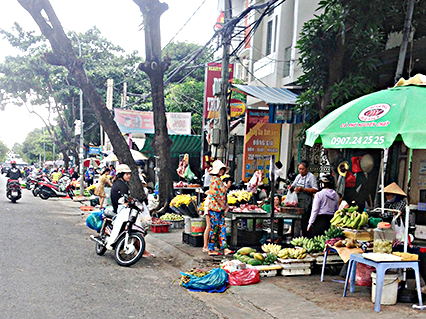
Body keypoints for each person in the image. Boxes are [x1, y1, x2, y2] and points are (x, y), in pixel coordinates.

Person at [108, 164, 154, 257]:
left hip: (117, 208)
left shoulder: (117, 183)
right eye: (127, 174)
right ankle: (141, 250)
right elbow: (123, 199)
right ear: (121, 174)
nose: (129, 176)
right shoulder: (122, 185)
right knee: (139, 224)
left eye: (129, 174)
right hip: (121, 210)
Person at [206, 160, 234, 256]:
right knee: (214, 229)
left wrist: (225, 206)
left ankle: (225, 248)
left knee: (222, 227)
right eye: (220, 169)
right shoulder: (214, 180)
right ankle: (210, 249)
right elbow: (215, 195)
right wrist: (222, 205)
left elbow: (222, 193)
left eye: (223, 169)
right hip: (215, 209)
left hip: (220, 208)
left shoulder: (219, 180)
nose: (222, 171)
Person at [288, 160, 318, 237]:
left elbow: (315, 189)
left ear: (307, 169)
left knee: (305, 220)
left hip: (306, 201)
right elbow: (293, 185)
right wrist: (290, 188)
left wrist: (303, 189)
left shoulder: (311, 177)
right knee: (296, 220)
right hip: (298, 201)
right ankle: (295, 236)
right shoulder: (298, 177)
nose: (301, 171)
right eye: (299, 169)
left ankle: (306, 237)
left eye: (302, 169)